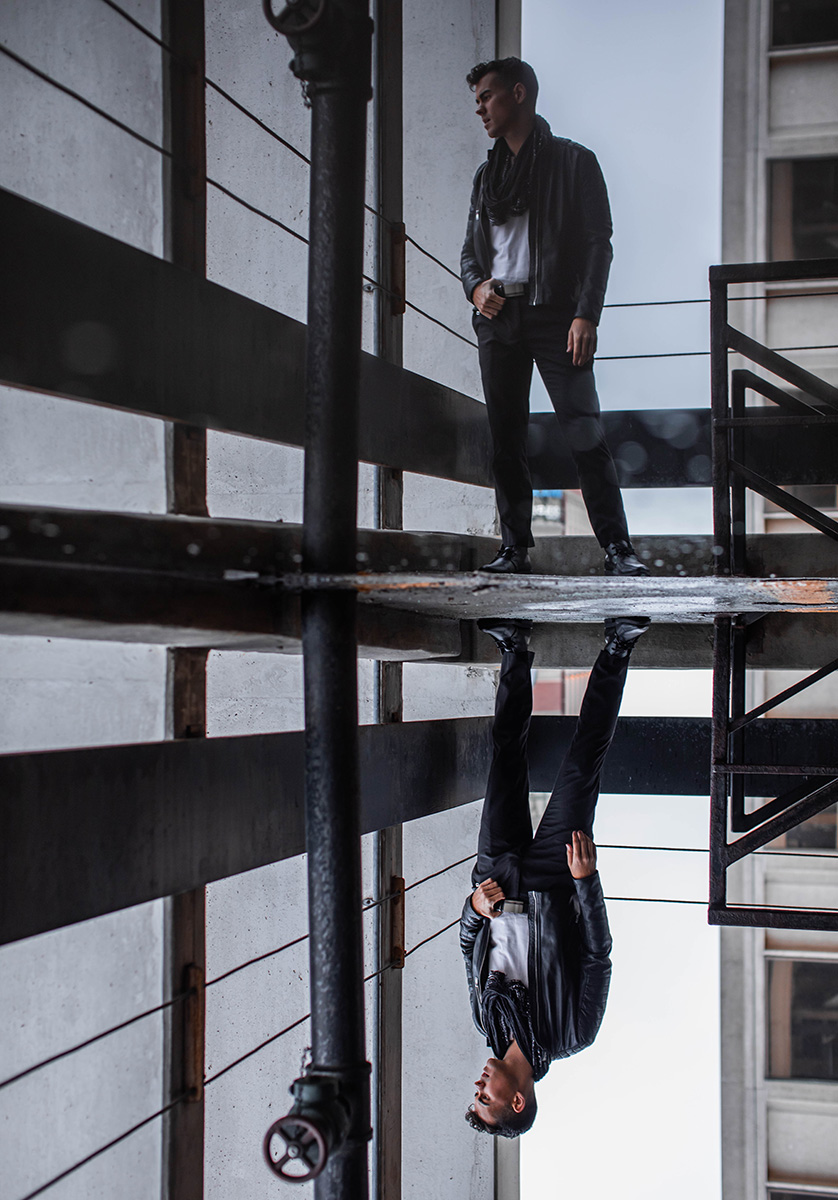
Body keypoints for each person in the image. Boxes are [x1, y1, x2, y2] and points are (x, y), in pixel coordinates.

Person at [460, 613, 649, 1137]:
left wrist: (475, 909)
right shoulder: (574, 1032)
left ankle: (515, 652)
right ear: (517, 1102)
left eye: (474, 1096)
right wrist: (586, 881)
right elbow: (597, 954)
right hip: (555, 878)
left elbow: (468, 947)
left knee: (504, 760)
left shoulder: (486, 1019)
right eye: (485, 1100)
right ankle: (618, 648)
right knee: (582, 765)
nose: (478, 1088)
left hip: (497, 875)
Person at [461, 57, 648, 578]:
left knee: (584, 432)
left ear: (519, 94)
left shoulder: (573, 163)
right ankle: (514, 550)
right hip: (498, 318)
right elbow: (470, 252)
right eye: (477, 100)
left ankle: (618, 550)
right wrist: (475, 288)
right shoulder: (485, 177)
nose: (480, 108)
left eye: (488, 96)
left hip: (556, 316)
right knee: (505, 440)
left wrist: (586, 314)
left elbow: (597, 244)